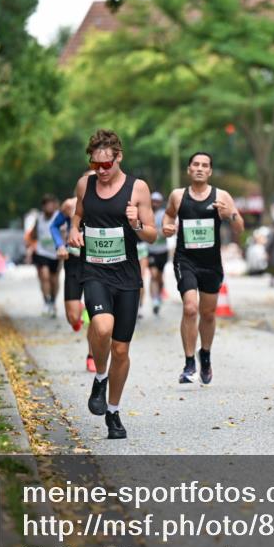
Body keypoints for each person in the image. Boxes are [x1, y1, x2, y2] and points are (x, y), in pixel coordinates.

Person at [68, 129, 156, 439]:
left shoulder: (137, 189)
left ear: (118, 158)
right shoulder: (85, 184)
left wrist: (136, 223)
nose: (101, 172)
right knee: (102, 328)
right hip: (94, 270)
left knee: (121, 349)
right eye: (95, 165)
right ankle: (100, 377)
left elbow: (152, 234)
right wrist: (74, 231)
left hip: (127, 277)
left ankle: (114, 412)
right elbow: (77, 214)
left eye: (106, 165)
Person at [161, 152, 244, 385]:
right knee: (190, 308)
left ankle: (204, 354)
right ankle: (189, 363)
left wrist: (230, 215)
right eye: (195, 164)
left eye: (204, 165)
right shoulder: (178, 196)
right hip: (185, 260)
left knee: (207, 314)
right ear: (189, 169)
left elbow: (239, 228)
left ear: (210, 172)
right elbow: (168, 217)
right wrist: (167, 227)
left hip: (211, 264)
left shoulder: (222, 196)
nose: (199, 168)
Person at [50, 192, 96, 372]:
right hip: (74, 263)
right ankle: (80, 312)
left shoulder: (109, 202)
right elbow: (54, 226)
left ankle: (91, 356)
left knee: (96, 314)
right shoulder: (70, 204)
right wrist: (59, 245)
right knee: (73, 318)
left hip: (95, 263)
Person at [30, 194, 62, 317]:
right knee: (44, 275)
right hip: (42, 252)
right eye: (46, 204)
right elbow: (33, 235)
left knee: (54, 279)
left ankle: (53, 301)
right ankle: (47, 301)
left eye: (51, 203)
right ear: (43, 206)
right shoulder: (39, 218)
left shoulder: (59, 217)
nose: (49, 206)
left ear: (54, 205)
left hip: (56, 253)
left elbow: (64, 232)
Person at [147, 191, 170, 314]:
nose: (155, 203)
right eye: (153, 200)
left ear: (160, 202)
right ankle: (154, 300)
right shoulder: (146, 214)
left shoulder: (163, 214)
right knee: (153, 274)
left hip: (162, 250)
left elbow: (167, 231)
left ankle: (159, 294)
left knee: (159, 277)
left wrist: (158, 232)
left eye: (157, 201)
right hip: (150, 250)